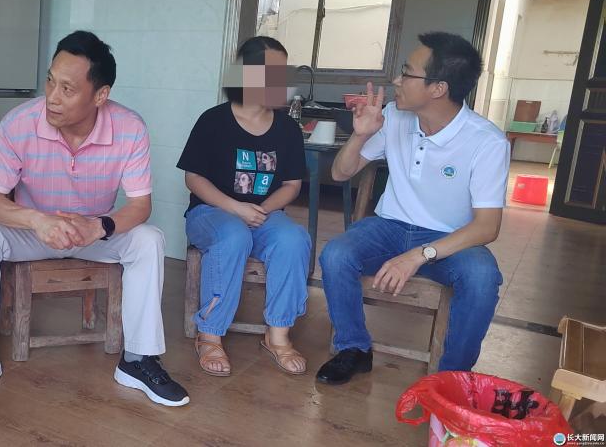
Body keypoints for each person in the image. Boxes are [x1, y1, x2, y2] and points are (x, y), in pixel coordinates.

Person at [0, 30, 189, 407]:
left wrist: (99, 226)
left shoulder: (129, 128)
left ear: (100, 95)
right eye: (50, 81)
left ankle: (138, 360)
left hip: (93, 233)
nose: (52, 96)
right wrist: (37, 221)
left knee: (149, 240)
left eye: (67, 89)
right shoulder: (19, 123)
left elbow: (140, 205)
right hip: (33, 232)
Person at [316, 32, 509, 385]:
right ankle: (354, 348)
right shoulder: (393, 116)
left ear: (438, 88)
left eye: (407, 73)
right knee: (336, 255)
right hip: (389, 227)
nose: (396, 80)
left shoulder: (487, 141)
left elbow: (487, 227)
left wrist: (418, 255)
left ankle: (451, 380)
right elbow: (340, 173)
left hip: (449, 240)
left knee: (482, 278)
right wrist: (360, 134)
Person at [177, 36, 311, 377]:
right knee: (234, 235)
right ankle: (210, 334)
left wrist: (260, 210)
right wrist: (237, 209)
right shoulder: (213, 121)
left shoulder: (287, 128)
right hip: (211, 213)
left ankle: (277, 335)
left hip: (264, 213)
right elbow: (193, 178)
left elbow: (292, 185)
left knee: (293, 239)